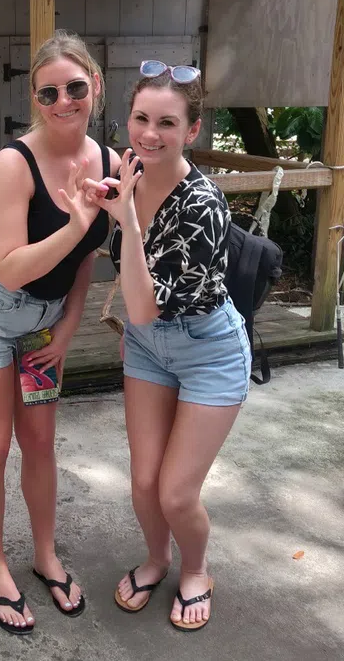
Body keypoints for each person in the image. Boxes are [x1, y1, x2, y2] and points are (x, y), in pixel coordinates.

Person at [0, 30, 120, 635]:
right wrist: (76, 223)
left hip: (43, 329)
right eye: (49, 92)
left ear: (94, 86)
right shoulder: (11, 164)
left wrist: (69, 329)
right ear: (35, 99)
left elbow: (88, 260)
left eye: (75, 87)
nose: (64, 101)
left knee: (41, 443)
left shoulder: (111, 163)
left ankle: (45, 555)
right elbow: (14, 264)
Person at [83, 60, 252, 632]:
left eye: (167, 123)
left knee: (177, 494)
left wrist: (127, 223)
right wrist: (97, 205)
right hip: (149, 348)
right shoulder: (125, 173)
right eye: (140, 118)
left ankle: (196, 568)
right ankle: (157, 559)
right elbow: (138, 312)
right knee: (144, 481)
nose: (149, 134)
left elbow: (145, 305)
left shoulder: (202, 205)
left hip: (209, 350)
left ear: (193, 130)